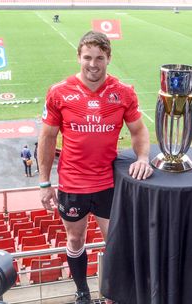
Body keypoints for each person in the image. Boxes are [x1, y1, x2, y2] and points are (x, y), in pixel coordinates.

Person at [38, 30, 152, 304]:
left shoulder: (122, 92)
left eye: (99, 58)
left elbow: (138, 130)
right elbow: (47, 137)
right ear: (78, 57)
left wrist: (143, 158)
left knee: (114, 244)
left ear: (108, 58)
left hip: (107, 184)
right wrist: (44, 183)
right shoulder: (59, 92)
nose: (93, 64)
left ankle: (113, 293)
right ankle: (82, 292)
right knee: (75, 240)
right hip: (71, 185)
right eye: (87, 57)